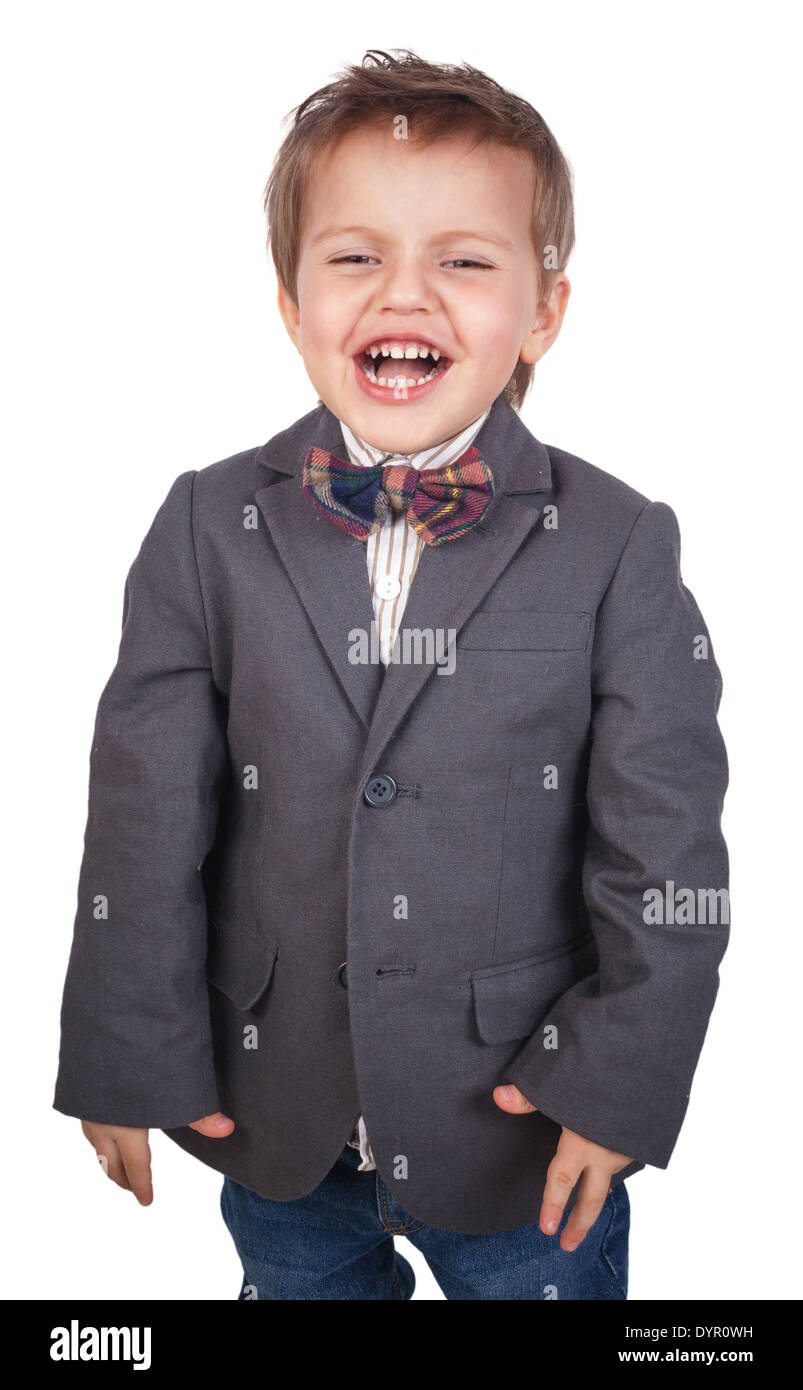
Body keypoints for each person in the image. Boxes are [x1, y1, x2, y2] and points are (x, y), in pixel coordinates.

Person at [53, 49, 730, 1300]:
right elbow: (143, 818)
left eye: (464, 261)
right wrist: (127, 1053)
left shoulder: (618, 542)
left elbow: (665, 855)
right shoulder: (207, 527)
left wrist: (619, 1082)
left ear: (541, 313)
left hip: (521, 1134)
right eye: (354, 257)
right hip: (277, 1122)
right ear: (290, 300)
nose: (400, 294)